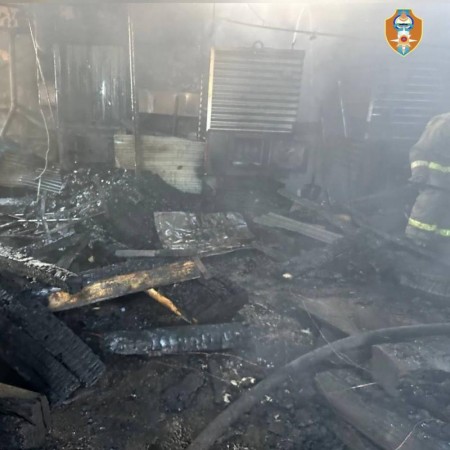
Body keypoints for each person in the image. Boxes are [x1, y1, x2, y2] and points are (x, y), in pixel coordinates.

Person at [406, 113, 450, 250]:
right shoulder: (443, 124)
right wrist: (419, 172)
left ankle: (441, 241)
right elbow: (420, 151)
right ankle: (415, 238)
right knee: (428, 207)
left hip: (446, 182)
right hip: (434, 179)